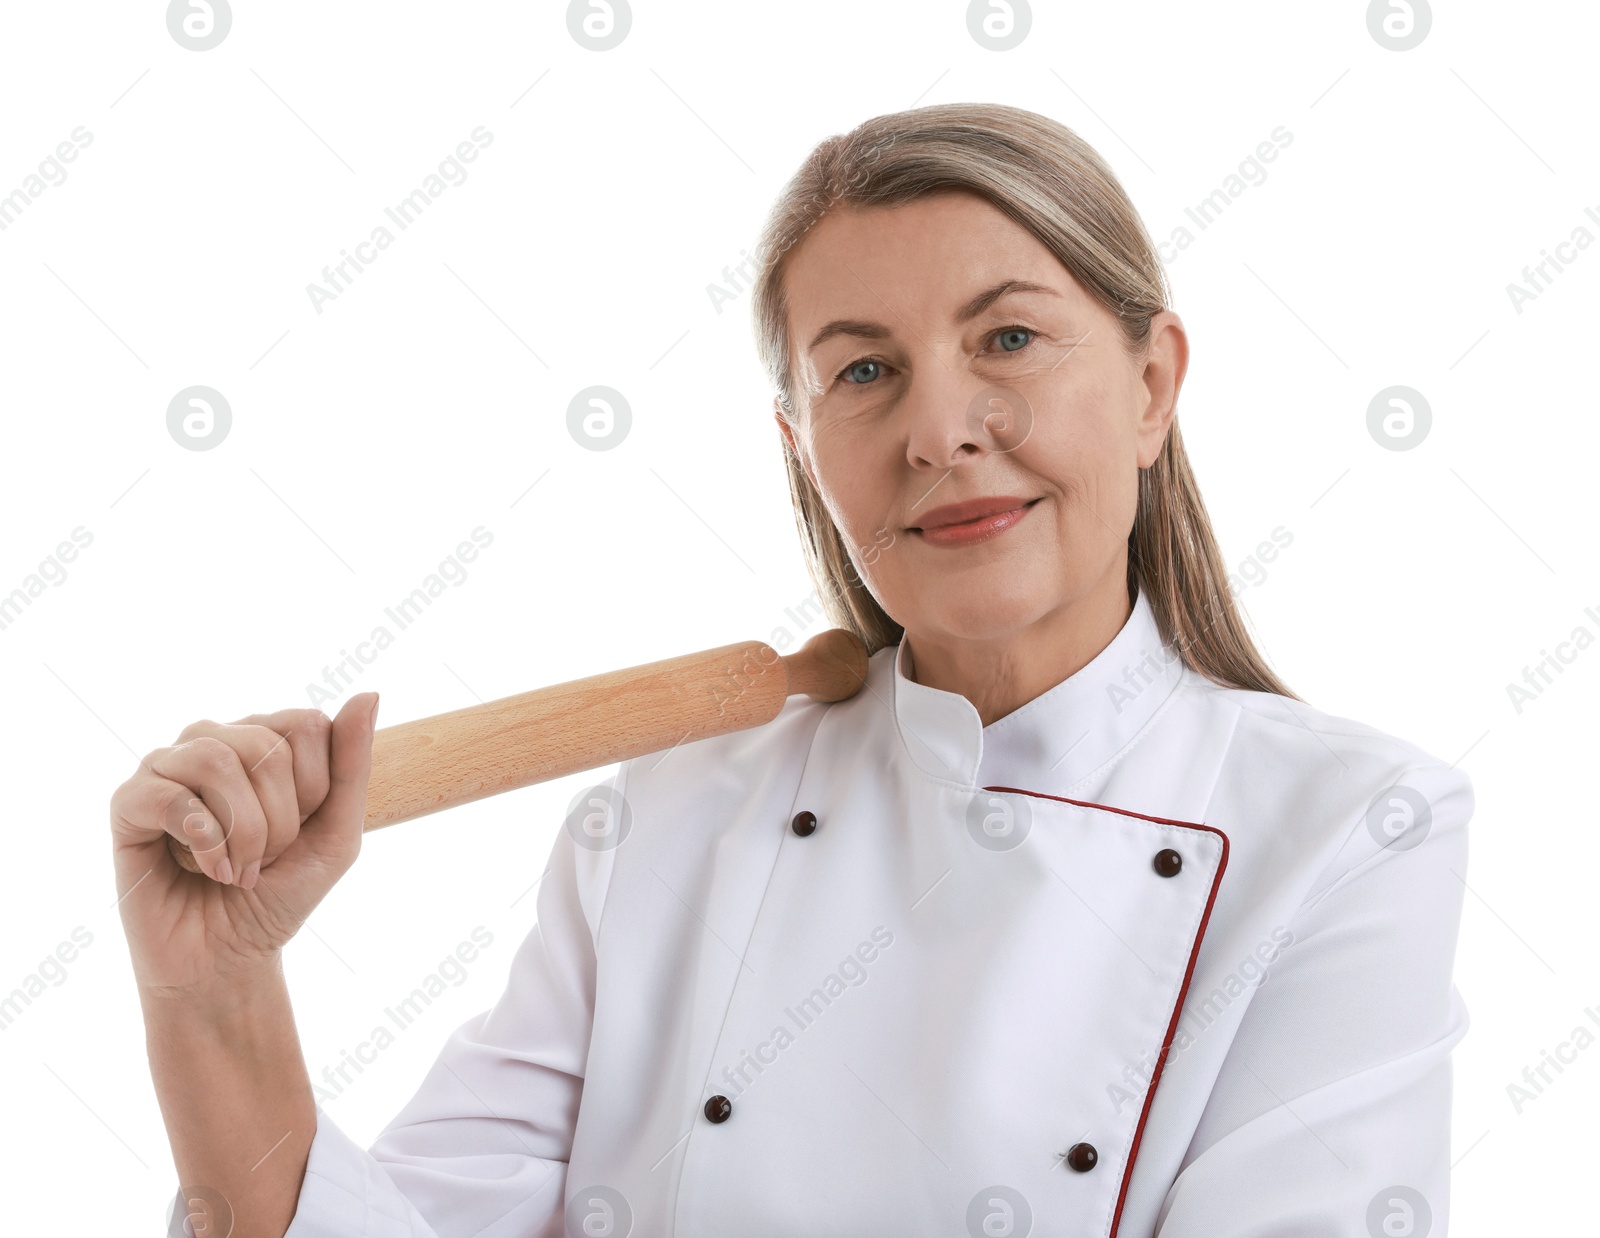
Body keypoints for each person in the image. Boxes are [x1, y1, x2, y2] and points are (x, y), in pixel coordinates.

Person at [114, 101, 1472, 1238]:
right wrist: (213, 988)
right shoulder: (669, 814)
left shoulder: (1349, 828)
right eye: (865, 369)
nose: (939, 430)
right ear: (802, 450)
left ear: (1153, 383)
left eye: (1007, 338)